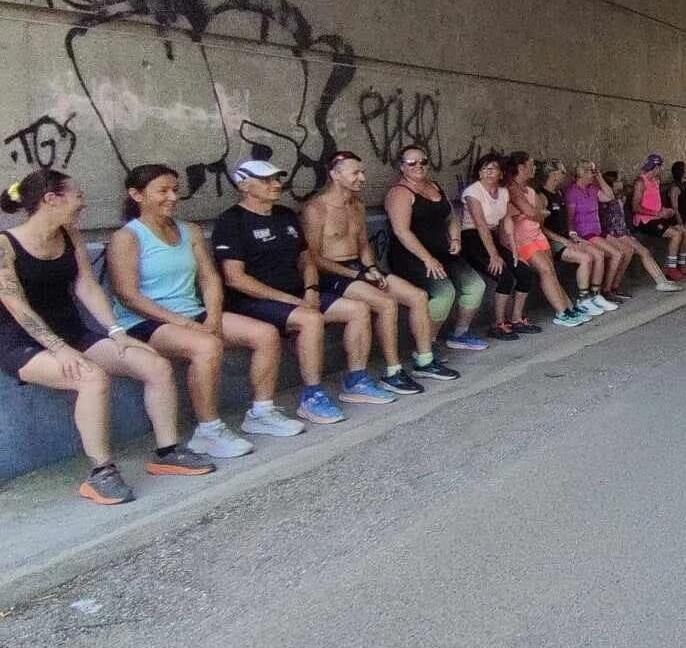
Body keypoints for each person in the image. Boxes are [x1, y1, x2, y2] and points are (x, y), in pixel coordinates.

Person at [2, 171, 215, 504]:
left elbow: (86, 286)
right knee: (91, 377)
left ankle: (168, 452)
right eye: (77, 196)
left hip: (73, 333)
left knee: (154, 365)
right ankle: (101, 473)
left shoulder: (69, 235)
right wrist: (58, 349)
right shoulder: (5, 244)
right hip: (21, 344)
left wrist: (116, 332)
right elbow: (16, 306)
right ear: (51, 200)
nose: (83, 203)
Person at [108, 164, 304, 459]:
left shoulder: (190, 230)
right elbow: (128, 296)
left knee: (265, 333)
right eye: (162, 191)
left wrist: (212, 316)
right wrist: (182, 323)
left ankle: (261, 413)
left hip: (194, 312)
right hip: (144, 321)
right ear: (137, 195)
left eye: (175, 190)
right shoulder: (127, 237)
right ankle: (208, 431)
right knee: (207, 346)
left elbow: (209, 278)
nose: (172, 197)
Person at [209, 159, 372, 424]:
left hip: (298, 294)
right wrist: (290, 300)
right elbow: (235, 279)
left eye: (277, 179)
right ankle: (312, 396)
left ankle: (357, 380)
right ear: (243, 185)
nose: (276, 185)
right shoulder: (231, 221)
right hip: (253, 301)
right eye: (266, 180)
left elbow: (306, 259)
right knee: (311, 319)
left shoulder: (285, 215)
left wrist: (311, 289)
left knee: (358, 309)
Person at [303, 151, 445, 396]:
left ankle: (424, 360)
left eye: (363, 172)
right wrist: (355, 274)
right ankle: (393, 372)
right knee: (386, 303)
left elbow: (363, 245)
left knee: (418, 296)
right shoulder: (316, 208)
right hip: (332, 273)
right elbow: (312, 257)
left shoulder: (357, 204)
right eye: (355, 173)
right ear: (335, 175)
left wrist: (370, 268)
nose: (362, 178)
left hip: (360, 268)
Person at [384, 145, 489, 354]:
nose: (418, 166)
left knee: (476, 285)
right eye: (411, 162)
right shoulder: (399, 193)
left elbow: (451, 217)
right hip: (412, 257)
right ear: (401, 167)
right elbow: (402, 231)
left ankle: (459, 334)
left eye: (423, 161)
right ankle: (426, 345)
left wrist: (456, 238)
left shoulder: (434, 186)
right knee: (444, 294)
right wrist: (427, 259)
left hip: (442, 252)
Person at [505, 154, 592, 327]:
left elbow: (540, 217)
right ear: (521, 168)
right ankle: (561, 313)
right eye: (531, 165)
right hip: (522, 239)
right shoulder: (511, 187)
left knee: (551, 271)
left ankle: (568, 307)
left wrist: (531, 213)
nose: (535, 168)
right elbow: (534, 213)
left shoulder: (529, 190)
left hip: (537, 235)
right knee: (545, 270)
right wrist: (532, 213)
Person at [459, 152, 534, 341]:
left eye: (493, 168)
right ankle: (498, 323)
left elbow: (506, 221)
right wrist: (494, 255)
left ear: (501, 173)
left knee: (524, 271)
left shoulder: (503, 192)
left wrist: (514, 250)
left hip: (492, 237)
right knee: (505, 276)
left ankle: (516, 318)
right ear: (479, 173)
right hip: (472, 239)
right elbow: (481, 225)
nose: (488, 172)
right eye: (484, 168)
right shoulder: (473, 192)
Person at [541, 161, 621, 308]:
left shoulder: (559, 193)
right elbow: (566, 220)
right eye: (563, 172)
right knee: (592, 256)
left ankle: (595, 295)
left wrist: (599, 176)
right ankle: (584, 298)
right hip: (572, 235)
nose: (565, 176)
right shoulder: (557, 194)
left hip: (574, 235)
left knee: (601, 254)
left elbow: (610, 196)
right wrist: (571, 236)